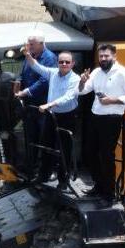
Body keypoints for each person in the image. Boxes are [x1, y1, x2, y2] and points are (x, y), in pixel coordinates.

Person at [77, 43, 125, 199]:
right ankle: (98, 185)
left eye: (106, 56)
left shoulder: (123, 73)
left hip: (111, 118)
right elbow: (83, 91)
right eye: (101, 56)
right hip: (95, 116)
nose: (103, 59)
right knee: (90, 153)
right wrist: (82, 81)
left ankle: (109, 192)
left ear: (114, 56)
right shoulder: (97, 72)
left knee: (106, 155)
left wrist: (113, 100)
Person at [15, 48, 80, 190]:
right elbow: (37, 67)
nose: (63, 64)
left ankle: (63, 180)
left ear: (72, 64)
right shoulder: (53, 73)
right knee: (46, 145)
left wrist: (49, 104)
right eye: (61, 61)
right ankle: (44, 175)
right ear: (57, 63)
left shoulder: (75, 79)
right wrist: (27, 54)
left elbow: (68, 97)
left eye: (67, 62)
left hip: (67, 116)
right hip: (52, 115)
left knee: (64, 149)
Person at [15, 35, 57, 176]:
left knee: (44, 138)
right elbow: (23, 73)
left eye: (32, 44)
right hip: (30, 106)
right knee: (31, 137)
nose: (29, 46)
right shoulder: (30, 56)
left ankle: (46, 170)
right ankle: (31, 167)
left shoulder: (50, 58)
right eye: (28, 43)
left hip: (43, 105)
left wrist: (26, 92)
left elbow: (45, 81)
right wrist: (18, 83)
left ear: (41, 43)